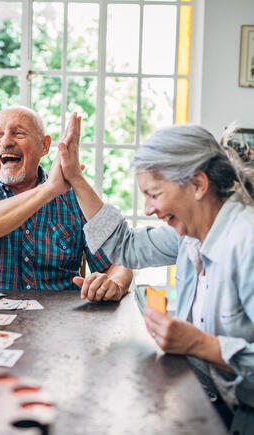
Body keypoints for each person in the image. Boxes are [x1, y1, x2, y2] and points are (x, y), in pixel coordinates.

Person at [57, 116, 254, 432]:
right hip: (213, 399)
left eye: (154, 194)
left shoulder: (247, 242)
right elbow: (127, 246)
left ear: (198, 185)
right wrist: (76, 181)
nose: (148, 209)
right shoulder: (190, 232)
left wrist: (199, 345)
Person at [0, 106, 132, 296]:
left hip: (59, 320)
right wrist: (48, 189)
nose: (5, 141)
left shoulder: (74, 197)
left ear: (44, 146)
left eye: (18, 133)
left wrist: (113, 283)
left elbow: (119, 262)